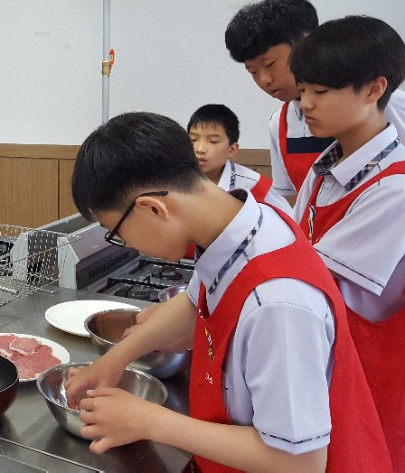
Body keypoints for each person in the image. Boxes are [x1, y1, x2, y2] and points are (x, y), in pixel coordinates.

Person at [63, 112, 391, 472]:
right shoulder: (247, 223)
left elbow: (300, 463)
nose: (127, 244)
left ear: (152, 208)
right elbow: (196, 302)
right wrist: (117, 357)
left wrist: (149, 420)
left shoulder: (277, 303)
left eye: (117, 233)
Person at [289, 15, 405, 470]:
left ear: (375, 89)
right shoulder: (326, 169)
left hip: (367, 372)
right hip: (323, 360)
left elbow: (307, 280)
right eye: (302, 90)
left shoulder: (394, 188)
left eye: (320, 91)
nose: (305, 104)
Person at [224, 0, 405, 199]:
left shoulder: (386, 103)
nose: (264, 80)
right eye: (253, 72)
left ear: (306, 43)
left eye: (269, 64)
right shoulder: (280, 124)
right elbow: (292, 198)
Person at [187, 104, 291, 213]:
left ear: (231, 150)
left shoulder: (256, 186)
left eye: (213, 141)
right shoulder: (176, 181)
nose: (200, 149)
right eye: (193, 139)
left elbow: (288, 221)